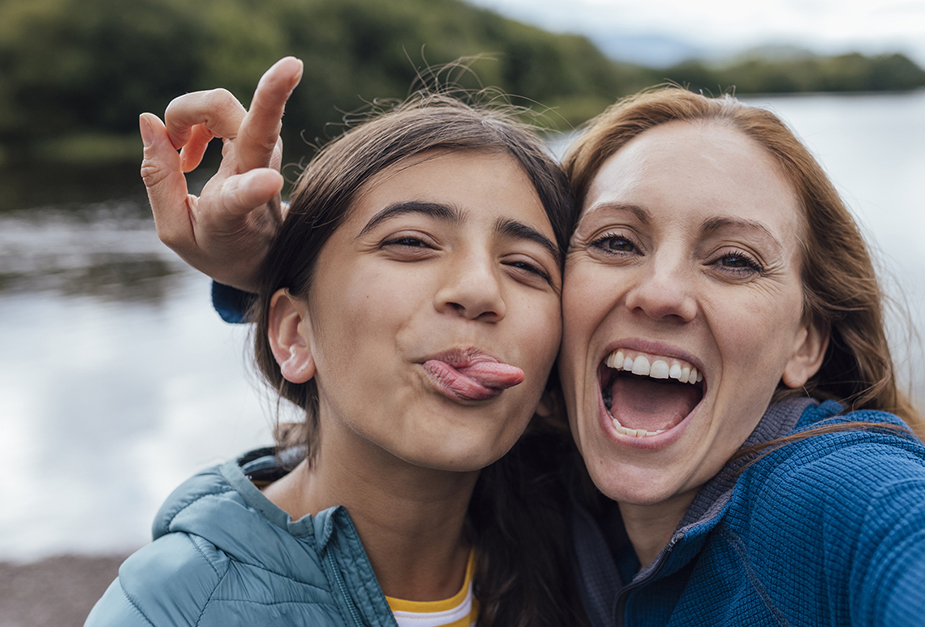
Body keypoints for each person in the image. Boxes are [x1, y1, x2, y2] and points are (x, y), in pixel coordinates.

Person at [144, 59, 925, 626]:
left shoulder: (824, 493)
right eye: (614, 242)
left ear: (806, 343)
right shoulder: (538, 478)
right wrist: (266, 270)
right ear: (565, 317)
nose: (659, 290)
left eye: (733, 260)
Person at [86, 58, 586, 626]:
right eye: (412, 242)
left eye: (525, 266)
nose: (479, 289)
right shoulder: (173, 610)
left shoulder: (599, 557)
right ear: (294, 334)